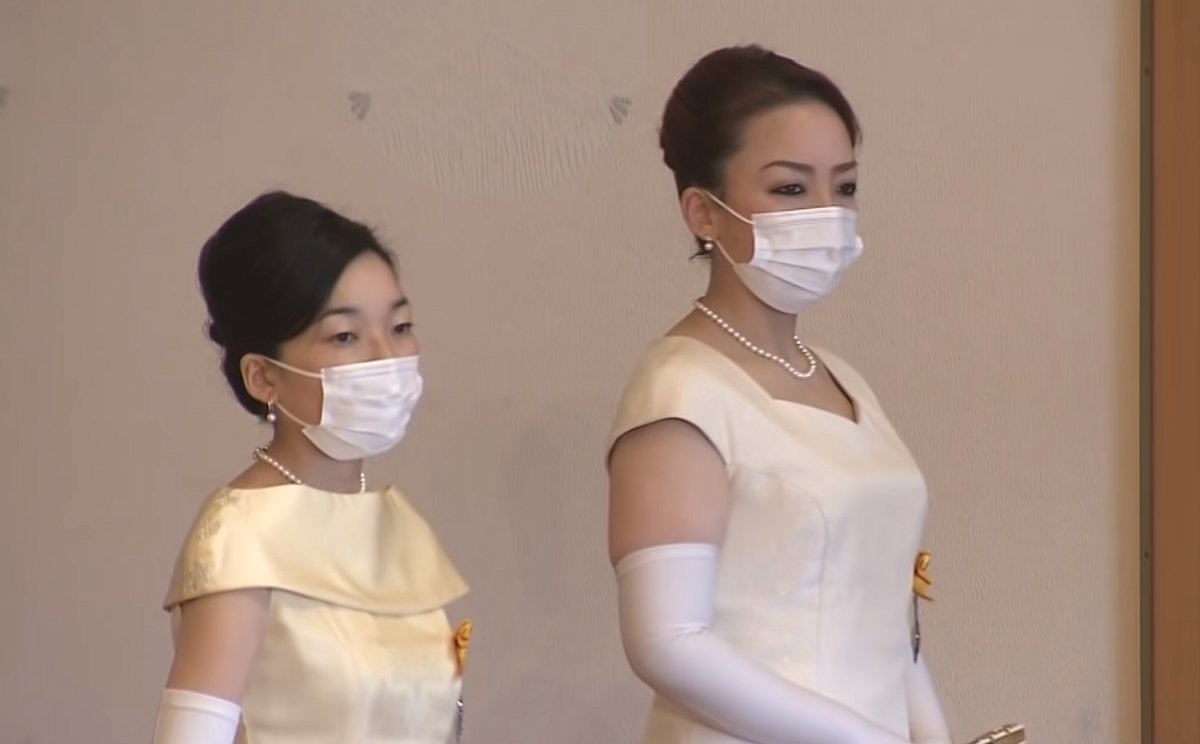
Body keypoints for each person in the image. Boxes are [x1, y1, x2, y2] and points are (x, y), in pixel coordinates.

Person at [605, 45, 953, 744]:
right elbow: (667, 642)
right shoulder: (679, 393)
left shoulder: (841, 378)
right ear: (703, 213)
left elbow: (891, 624)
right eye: (791, 189)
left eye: (844, 187)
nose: (826, 213)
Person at [152, 191, 471, 744]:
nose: (386, 357)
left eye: (399, 327)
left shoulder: (398, 524)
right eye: (345, 337)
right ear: (263, 377)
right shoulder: (241, 537)